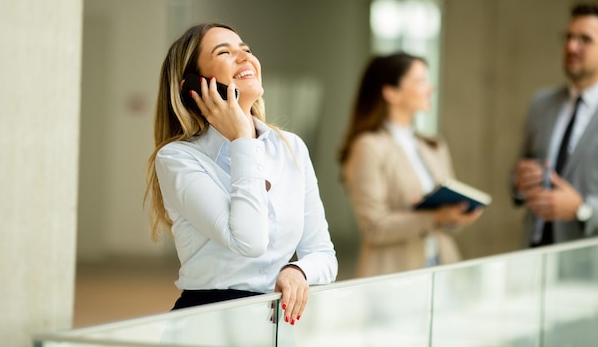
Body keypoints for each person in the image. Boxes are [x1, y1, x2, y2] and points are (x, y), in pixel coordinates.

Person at [145, 22, 338, 324]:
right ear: (192, 86)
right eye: (225, 52)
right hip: (208, 322)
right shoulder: (178, 158)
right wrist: (242, 142)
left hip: (275, 323)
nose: (244, 57)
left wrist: (297, 270)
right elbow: (250, 242)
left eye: (246, 50)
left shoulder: (291, 148)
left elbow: (324, 255)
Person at [338, 52, 483, 277]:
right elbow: (373, 227)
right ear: (391, 93)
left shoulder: (434, 145)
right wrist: (435, 217)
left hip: (441, 268)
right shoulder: (368, 147)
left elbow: (447, 222)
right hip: (393, 276)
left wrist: (456, 214)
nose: (430, 87)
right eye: (420, 81)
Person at [511, 2, 598, 248]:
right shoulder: (542, 103)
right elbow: (516, 176)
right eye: (569, 37)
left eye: (585, 40)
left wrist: (583, 210)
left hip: (587, 261)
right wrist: (519, 183)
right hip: (535, 251)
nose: (571, 47)